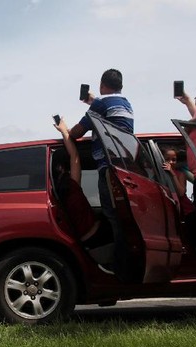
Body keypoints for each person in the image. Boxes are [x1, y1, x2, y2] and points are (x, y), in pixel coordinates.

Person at [66, 68, 134, 278]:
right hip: (124, 167)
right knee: (123, 216)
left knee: (112, 216)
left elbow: (78, 132)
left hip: (108, 167)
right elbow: (107, 111)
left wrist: (64, 131)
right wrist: (92, 102)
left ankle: (120, 266)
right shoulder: (125, 103)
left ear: (103, 85)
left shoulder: (101, 104)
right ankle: (128, 261)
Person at [52, 117, 101, 247]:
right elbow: (75, 156)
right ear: (61, 168)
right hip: (95, 235)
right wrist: (64, 131)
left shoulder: (55, 195)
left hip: (81, 240)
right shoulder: (71, 186)